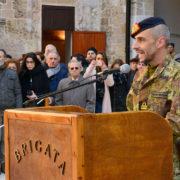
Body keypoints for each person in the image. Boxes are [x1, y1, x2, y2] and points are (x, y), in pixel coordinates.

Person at [127, 16, 180, 122]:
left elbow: (176, 123)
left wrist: (144, 135)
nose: (134, 46)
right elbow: (130, 108)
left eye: (141, 40)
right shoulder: (140, 75)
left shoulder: (177, 74)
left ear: (160, 42)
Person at [0, 49, 22, 172]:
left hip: (8, 111)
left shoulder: (12, 74)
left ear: (4, 58)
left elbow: (18, 93)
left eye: (0, 56)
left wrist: (18, 111)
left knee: (6, 139)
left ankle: (4, 163)